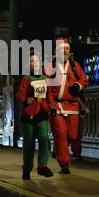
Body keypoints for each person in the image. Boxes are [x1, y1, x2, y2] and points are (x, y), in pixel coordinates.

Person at [46, 39, 88, 174]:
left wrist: (78, 85)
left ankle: (59, 149)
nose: (65, 51)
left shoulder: (76, 66)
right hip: (56, 106)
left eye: (67, 49)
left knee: (73, 135)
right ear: (56, 52)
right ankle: (64, 164)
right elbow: (45, 86)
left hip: (73, 106)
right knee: (60, 134)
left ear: (70, 51)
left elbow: (84, 81)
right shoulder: (49, 67)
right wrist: (50, 105)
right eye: (62, 49)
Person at [16, 50, 54, 180]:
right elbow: (19, 95)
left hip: (42, 112)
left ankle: (42, 166)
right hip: (29, 114)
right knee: (29, 143)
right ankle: (27, 168)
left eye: (37, 61)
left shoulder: (45, 78)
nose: (35, 63)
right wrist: (26, 100)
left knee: (44, 138)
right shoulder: (26, 78)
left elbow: (49, 96)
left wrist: (51, 106)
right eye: (32, 61)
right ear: (28, 64)